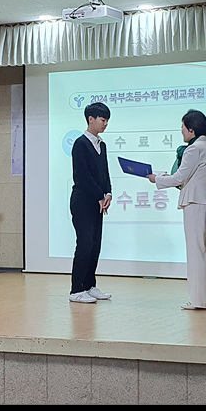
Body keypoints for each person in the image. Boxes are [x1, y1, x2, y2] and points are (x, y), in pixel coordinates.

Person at [148, 109, 206, 310]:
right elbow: (188, 175)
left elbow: (180, 177)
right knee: (204, 251)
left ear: (191, 129)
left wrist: (157, 179)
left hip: (196, 203)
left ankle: (198, 300)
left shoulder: (194, 149)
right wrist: (164, 177)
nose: (181, 131)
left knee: (196, 252)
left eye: (183, 127)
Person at [68, 102, 114, 303]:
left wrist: (108, 193)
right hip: (83, 202)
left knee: (95, 245)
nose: (105, 124)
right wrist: (99, 195)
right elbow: (83, 176)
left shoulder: (101, 144)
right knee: (85, 244)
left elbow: (104, 172)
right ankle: (76, 290)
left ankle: (89, 285)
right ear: (91, 119)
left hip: (98, 202)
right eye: (103, 120)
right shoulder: (81, 143)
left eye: (107, 120)